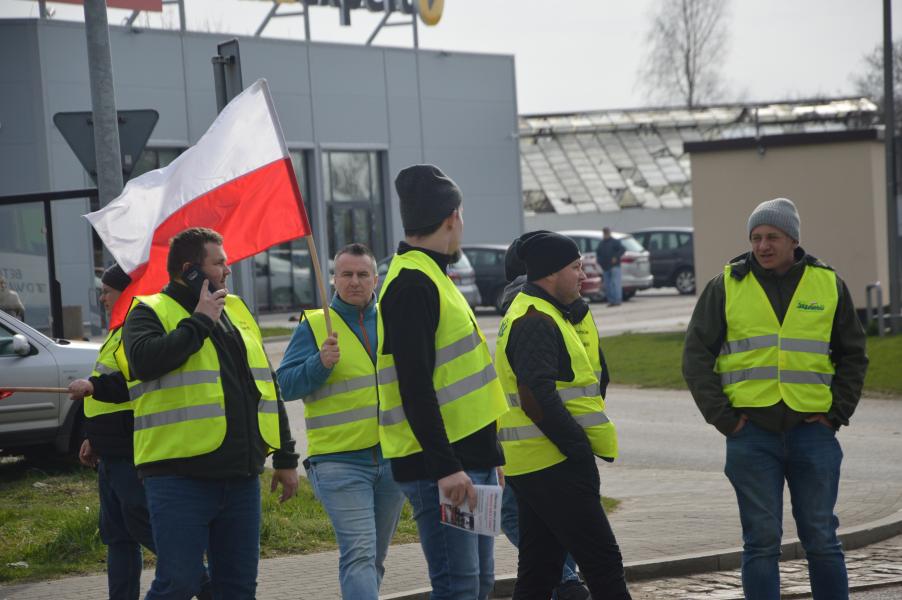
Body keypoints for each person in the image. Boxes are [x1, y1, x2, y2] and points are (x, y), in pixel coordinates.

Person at [683, 197, 868, 600]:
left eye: (772, 237)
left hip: (813, 432)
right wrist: (724, 419)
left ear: (793, 240)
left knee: (821, 537)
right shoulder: (725, 286)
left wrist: (836, 413)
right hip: (751, 435)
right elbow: (695, 357)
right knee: (761, 542)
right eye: (756, 238)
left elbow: (854, 355)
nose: (762, 246)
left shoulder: (828, 283)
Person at [122, 227, 299, 600]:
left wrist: (285, 456)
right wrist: (200, 320)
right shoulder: (149, 311)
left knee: (238, 588)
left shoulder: (234, 310)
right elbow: (144, 361)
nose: (228, 270)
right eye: (219, 263)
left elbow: (266, 385)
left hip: (240, 478)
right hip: (179, 478)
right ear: (190, 270)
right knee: (179, 583)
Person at [376, 164, 509, 600]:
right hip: (443, 468)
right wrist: (446, 467)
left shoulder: (432, 275)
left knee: (478, 584)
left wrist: (491, 456)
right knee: (459, 587)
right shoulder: (412, 283)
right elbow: (414, 387)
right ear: (452, 216)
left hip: (469, 460)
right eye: (462, 215)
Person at [495, 230, 630, 600]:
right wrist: (577, 448)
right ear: (551, 273)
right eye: (576, 267)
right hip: (553, 464)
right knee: (603, 563)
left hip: (538, 463)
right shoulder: (535, 317)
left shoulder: (544, 311)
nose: (583, 275)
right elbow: (535, 395)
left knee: (539, 570)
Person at [71, 265, 212, 600]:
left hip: (130, 449)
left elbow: (131, 383)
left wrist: (93, 386)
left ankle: (207, 585)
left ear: (126, 292)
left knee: (146, 527)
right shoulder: (116, 330)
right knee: (118, 537)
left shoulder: (135, 327)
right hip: (109, 451)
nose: (102, 298)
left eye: (107, 291)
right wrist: (93, 438)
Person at [276, 242, 405, 600]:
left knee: (374, 557)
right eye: (346, 274)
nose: (354, 281)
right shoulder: (316, 325)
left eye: (363, 274)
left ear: (376, 279)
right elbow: (285, 385)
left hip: (392, 459)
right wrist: (319, 363)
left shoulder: (393, 321)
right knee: (359, 554)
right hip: (339, 461)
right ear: (333, 279)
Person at [595, 227, 625, 306]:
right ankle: (611, 301)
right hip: (605, 267)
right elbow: (598, 254)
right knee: (607, 285)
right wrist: (600, 262)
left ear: (609, 233)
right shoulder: (601, 243)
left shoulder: (615, 242)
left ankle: (617, 300)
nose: (606, 234)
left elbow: (622, 250)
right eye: (604, 233)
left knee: (615, 284)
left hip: (615, 266)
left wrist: (616, 257)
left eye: (607, 232)